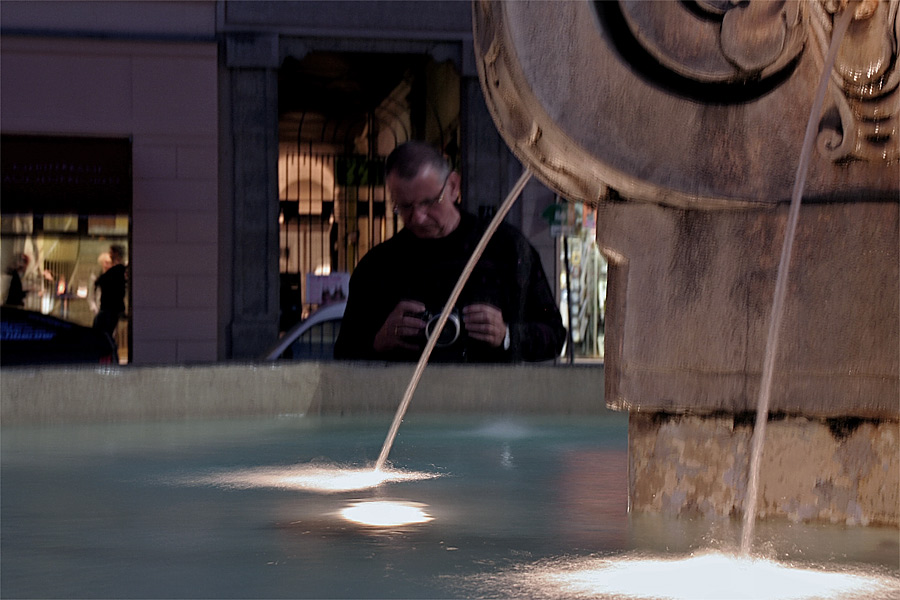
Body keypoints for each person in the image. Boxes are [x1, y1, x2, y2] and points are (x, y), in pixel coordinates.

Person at [334, 141, 565, 362]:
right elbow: (343, 354)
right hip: (407, 399)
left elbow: (555, 336)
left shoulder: (505, 248)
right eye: (404, 206)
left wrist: (507, 336)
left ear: (453, 186)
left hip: (489, 399)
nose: (418, 218)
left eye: (429, 202)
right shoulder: (378, 266)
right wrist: (378, 341)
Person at [93, 244, 127, 340]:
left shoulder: (118, 270)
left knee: (102, 335)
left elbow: (100, 282)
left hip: (109, 308)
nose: (110, 255)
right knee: (105, 335)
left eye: (111, 252)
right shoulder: (119, 271)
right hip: (110, 308)